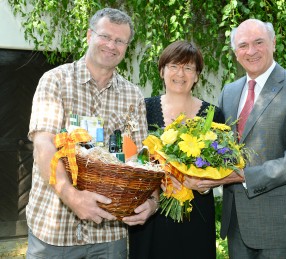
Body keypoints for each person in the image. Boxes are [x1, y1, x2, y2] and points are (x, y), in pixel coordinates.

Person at [26, 8, 158, 258]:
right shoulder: (55, 80)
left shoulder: (133, 96)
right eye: (105, 36)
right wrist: (71, 196)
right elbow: (44, 144)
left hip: (109, 234)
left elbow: (141, 159)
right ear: (89, 35)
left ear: (126, 47)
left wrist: (152, 202)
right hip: (55, 232)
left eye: (120, 41)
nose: (111, 45)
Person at [196, 19, 286, 258]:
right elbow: (222, 147)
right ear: (235, 52)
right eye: (243, 45)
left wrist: (246, 175)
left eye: (259, 42)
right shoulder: (230, 91)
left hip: (280, 222)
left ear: (273, 43)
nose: (251, 51)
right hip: (237, 223)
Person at [128, 40, 225, 259]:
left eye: (188, 67)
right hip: (151, 212)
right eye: (174, 66)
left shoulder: (213, 115)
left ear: (197, 75)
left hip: (196, 213)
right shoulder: (143, 108)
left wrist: (204, 185)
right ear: (162, 71)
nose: (180, 73)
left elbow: (220, 167)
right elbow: (131, 158)